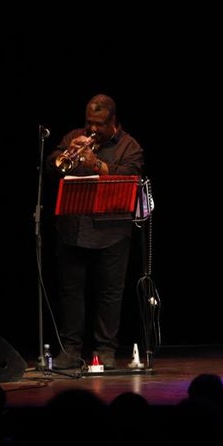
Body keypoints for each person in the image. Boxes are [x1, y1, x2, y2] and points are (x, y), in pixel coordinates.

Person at [46, 93, 145, 370]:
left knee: (109, 294)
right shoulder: (73, 137)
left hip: (112, 233)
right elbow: (52, 165)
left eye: (99, 124)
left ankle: (105, 350)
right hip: (73, 229)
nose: (92, 130)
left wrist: (95, 164)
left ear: (113, 121)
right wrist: (65, 155)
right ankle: (70, 349)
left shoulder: (130, 146)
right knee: (70, 292)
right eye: (89, 122)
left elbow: (129, 178)